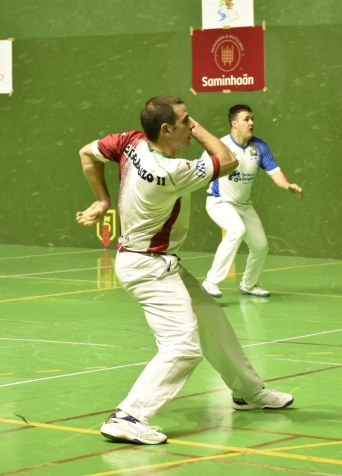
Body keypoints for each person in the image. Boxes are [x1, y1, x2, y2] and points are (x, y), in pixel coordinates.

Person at [76, 96, 293, 445]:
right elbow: (227, 159)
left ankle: (249, 393)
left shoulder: (131, 141)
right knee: (183, 346)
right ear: (167, 129)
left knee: (213, 323)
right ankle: (129, 416)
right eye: (185, 121)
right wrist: (198, 127)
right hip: (149, 268)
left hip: (157, 262)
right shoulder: (169, 172)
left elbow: (87, 154)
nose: (191, 126)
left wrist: (102, 200)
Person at [201, 105, 303, 299]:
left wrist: (288, 185)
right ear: (234, 123)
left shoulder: (260, 147)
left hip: (244, 205)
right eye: (246, 119)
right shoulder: (219, 146)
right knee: (236, 230)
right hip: (219, 201)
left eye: (252, 119)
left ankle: (248, 284)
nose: (251, 123)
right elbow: (199, 171)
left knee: (260, 246)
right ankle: (210, 281)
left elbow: (275, 172)